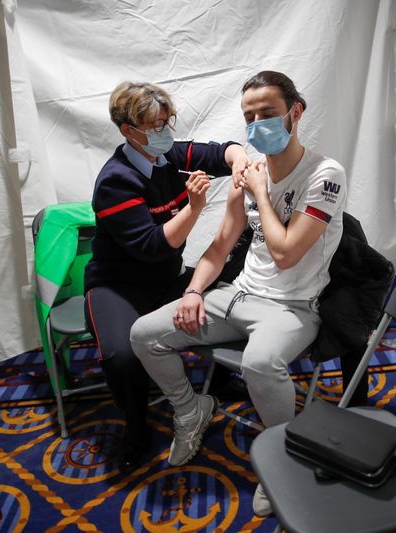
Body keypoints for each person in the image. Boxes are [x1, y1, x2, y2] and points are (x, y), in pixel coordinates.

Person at [130, 71, 347, 515]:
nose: (256, 125)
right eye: (249, 117)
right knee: (142, 334)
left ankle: (283, 455)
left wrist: (261, 195)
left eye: (267, 113)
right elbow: (219, 247)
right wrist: (193, 291)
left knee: (260, 362)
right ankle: (192, 411)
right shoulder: (247, 172)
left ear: (296, 112)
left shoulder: (325, 174)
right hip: (239, 294)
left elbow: (286, 254)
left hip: (292, 307)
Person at [84, 81, 250, 471]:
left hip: (166, 277)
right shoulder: (115, 181)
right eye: (155, 126)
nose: (165, 132)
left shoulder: (169, 155)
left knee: (234, 294)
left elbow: (217, 151)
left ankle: (218, 381)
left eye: (167, 122)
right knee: (121, 356)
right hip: (117, 286)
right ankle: (136, 426)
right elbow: (152, 245)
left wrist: (240, 158)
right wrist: (193, 208)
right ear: (129, 130)